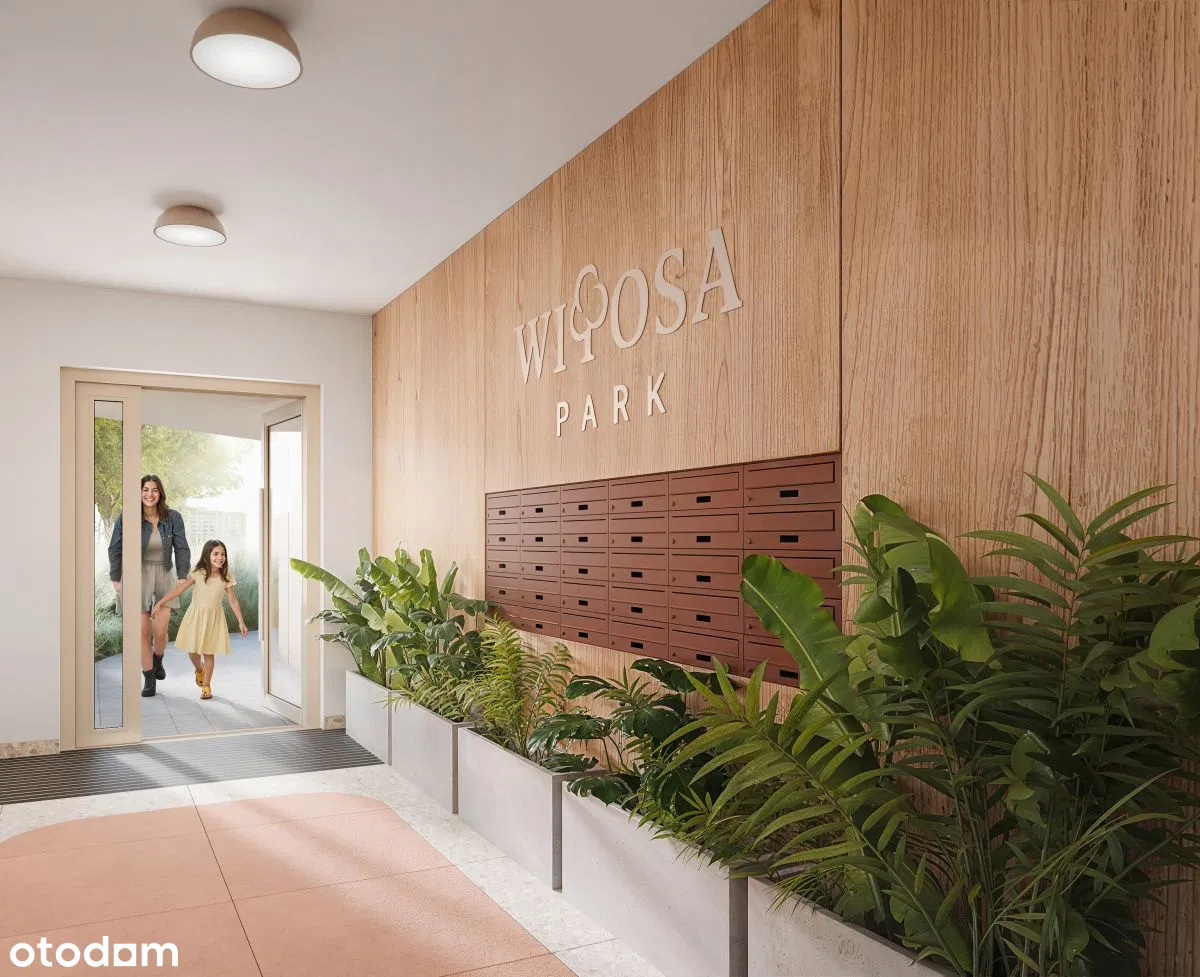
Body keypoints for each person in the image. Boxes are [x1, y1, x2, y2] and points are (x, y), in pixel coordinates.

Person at [108, 474, 191, 698]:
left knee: (160, 632)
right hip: (137, 573)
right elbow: (115, 546)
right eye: (145, 489)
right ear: (139, 492)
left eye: (154, 490)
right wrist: (116, 577)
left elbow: (182, 547)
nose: (149, 494)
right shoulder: (128, 516)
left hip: (164, 572)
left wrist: (183, 574)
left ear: (160, 493)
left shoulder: (173, 517)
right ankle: (149, 678)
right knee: (142, 633)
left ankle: (158, 659)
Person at [153, 539, 248, 701]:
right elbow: (179, 590)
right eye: (216, 554)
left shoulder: (226, 576)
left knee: (209, 652)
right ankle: (199, 669)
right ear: (207, 555)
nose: (220, 557)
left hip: (214, 618)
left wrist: (241, 621)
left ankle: (206, 686)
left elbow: (233, 600)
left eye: (223, 554)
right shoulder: (198, 573)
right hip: (195, 616)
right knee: (192, 651)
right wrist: (160, 602)